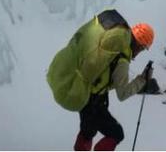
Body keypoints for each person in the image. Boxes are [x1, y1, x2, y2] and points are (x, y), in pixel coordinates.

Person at [47, 9, 155, 151]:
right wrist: (142, 80)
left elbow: (103, 74)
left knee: (87, 132)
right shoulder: (122, 57)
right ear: (140, 45)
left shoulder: (115, 42)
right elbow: (122, 94)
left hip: (83, 92)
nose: (139, 53)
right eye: (142, 49)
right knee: (116, 134)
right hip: (93, 101)